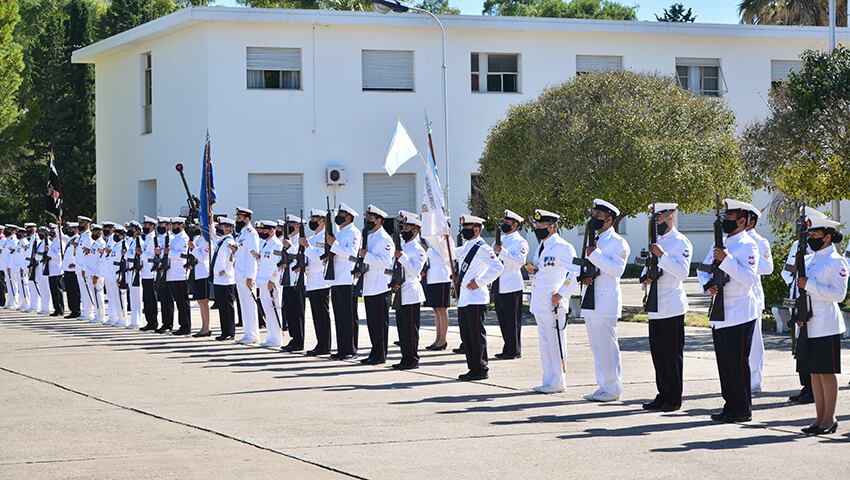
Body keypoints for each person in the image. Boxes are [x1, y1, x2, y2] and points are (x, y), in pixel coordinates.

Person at [697, 199, 760, 423]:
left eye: (730, 218)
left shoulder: (748, 245)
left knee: (738, 362)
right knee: (725, 362)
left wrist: (726, 259)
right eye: (724, 218)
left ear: (742, 221)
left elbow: (748, 279)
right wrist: (707, 285)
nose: (726, 222)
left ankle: (742, 408)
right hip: (720, 311)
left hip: (741, 310)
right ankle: (729, 405)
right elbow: (702, 268)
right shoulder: (720, 243)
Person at [796, 213, 847, 435]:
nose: (811, 238)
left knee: (826, 372)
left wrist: (811, 285)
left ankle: (830, 419)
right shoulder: (809, 259)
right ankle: (819, 418)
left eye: (815, 234)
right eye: (810, 234)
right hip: (810, 323)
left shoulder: (837, 262)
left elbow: (839, 295)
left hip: (827, 323)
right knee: (815, 373)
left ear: (827, 237)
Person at [640, 203, 692, 412]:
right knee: (658, 354)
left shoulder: (680, 242)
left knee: (672, 355)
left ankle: (674, 397)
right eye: (653, 217)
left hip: (672, 304)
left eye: (659, 217)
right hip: (655, 305)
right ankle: (662, 393)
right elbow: (648, 268)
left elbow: (682, 272)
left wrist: (662, 256)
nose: (656, 221)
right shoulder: (657, 241)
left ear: (670, 216)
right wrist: (645, 277)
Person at [580, 199, 630, 402]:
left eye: (599, 216)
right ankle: (603, 385)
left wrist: (596, 255)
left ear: (609, 219)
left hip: (606, 300)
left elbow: (617, 270)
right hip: (591, 298)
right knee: (597, 346)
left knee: (607, 346)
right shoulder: (595, 239)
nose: (595, 219)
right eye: (594, 215)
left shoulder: (618, 242)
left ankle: (613, 387)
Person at [526, 209, 577, 394]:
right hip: (540, 302)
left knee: (556, 342)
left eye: (541, 225)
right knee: (545, 343)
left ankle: (558, 380)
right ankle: (548, 379)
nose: (537, 228)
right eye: (537, 225)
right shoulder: (541, 246)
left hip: (554, 303)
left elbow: (574, 273)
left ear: (552, 227)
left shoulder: (563, 247)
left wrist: (562, 294)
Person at [782, 206, 828, 404]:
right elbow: (786, 271)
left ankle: (812, 388)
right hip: (797, 297)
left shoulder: (820, 248)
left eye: (804, 223)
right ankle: (805, 385)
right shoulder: (796, 245)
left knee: (810, 345)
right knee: (799, 344)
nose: (801, 226)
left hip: (811, 300)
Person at [453, 214, 503, 381]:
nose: (464, 231)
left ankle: (481, 367)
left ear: (476, 229)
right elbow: (449, 253)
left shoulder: (482, 248)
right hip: (465, 298)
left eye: (467, 228)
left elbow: (497, 267)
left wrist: (480, 282)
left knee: (476, 335)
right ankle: (472, 367)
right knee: (466, 335)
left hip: (476, 298)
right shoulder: (467, 246)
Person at [357, 205, 394, 366]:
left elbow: (386, 263)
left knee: (380, 323)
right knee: (372, 323)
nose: (368, 221)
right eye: (367, 219)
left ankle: (380, 354)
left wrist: (367, 256)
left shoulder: (385, 239)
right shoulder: (370, 236)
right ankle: (374, 351)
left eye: (371, 219)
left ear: (379, 220)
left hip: (380, 286)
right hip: (369, 284)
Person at [391, 211, 427, 370]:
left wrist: (402, 257)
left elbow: (414, 271)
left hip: (412, 292)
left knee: (411, 330)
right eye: (403, 227)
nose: (403, 230)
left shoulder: (418, 250)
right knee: (402, 329)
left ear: (415, 230)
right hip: (400, 291)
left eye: (406, 227)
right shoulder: (403, 246)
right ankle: (405, 357)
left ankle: (412, 358)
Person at [327, 203, 362, 360]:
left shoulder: (354, 232)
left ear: (348, 217)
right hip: (336, 279)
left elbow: (352, 254)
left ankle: (351, 349)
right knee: (339, 316)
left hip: (347, 279)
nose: (338, 217)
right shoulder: (340, 233)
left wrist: (333, 244)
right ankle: (342, 349)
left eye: (341, 214)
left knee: (348, 317)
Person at [493, 210, 529, 360]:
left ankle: (514, 349)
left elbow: (519, 261)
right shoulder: (500, 239)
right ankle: (507, 347)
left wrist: (501, 252)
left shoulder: (520, 242)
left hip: (512, 284)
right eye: (504, 222)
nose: (505, 225)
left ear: (515, 225)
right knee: (502, 319)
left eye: (508, 223)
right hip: (498, 283)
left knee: (512, 320)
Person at [745, 206, 773, 393]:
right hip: (734, 300)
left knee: (754, 342)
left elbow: (768, 267)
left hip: (753, 298)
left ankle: (754, 381)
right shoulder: (728, 240)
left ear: (751, 222)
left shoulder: (760, 242)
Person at [302, 209, 332, 355]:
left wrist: (307, 247)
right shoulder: (314, 238)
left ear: (321, 220)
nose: (311, 222)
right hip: (312, 279)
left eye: (314, 219)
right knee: (316, 315)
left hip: (321, 279)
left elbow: (321, 260)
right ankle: (320, 343)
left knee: (322, 314)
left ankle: (325, 345)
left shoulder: (324, 237)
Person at [233, 207, 260, 345]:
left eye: (239, 218)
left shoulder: (251, 233)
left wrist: (251, 276)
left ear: (247, 219)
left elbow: (253, 256)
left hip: (247, 275)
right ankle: (247, 333)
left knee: (250, 305)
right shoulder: (242, 233)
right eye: (237, 217)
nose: (237, 220)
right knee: (244, 305)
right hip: (239, 274)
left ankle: (253, 334)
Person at [256, 220, 284, 347]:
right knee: (267, 310)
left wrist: (273, 280)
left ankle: (277, 338)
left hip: (270, 283)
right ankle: (271, 336)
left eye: (264, 230)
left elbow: (279, 266)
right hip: (262, 282)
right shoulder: (265, 244)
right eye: (261, 230)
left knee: (274, 309)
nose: (261, 232)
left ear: (272, 230)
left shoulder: (277, 245)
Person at [422, 235, 453, 351]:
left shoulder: (446, 240)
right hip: (432, 278)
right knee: (436, 309)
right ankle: (438, 338)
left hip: (441, 277)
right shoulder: (432, 240)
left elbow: (444, 258)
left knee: (442, 309)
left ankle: (443, 339)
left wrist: (427, 250)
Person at [281, 214, 307, 352]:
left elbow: (300, 256)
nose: (289, 226)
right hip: (288, 279)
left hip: (298, 280)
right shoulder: (289, 239)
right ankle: (293, 338)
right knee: (289, 311)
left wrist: (289, 247)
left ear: (298, 226)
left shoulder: (300, 240)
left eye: (291, 224)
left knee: (297, 312)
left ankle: (299, 340)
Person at [211, 218, 238, 341]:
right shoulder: (221, 240)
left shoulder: (229, 241)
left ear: (228, 228)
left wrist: (226, 270)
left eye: (221, 226)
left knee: (227, 307)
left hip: (226, 279)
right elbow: (211, 233)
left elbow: (231, 257)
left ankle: (230, 332)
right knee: (222, 306)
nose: (218, 228)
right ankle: (224, 331)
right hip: (218, 278)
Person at [166, 217, 192, 336]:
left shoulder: (184, 238)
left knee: (183, 302)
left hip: (181, 273)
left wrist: (169, 253)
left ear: (181, 225)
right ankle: (182, 325)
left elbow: (184, 255)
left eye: (175, 225)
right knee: (178, 302)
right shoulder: (175, 238)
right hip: (172, 273)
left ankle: (186, 326)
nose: (172, 227)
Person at [189, 224, 212, 337]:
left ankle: (206, 327)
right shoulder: (198, 239)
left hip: (204, 273)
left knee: (204, 301)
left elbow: (203, 258)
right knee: (199, 301)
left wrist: (194, 248)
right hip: (197, 273)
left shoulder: (208, 240)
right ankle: (204, 327)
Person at [138, 217, 160, 332]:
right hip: (145, 271)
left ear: (152, 226)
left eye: (146, 225)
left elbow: (153, 256)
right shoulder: (147, 238)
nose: (144, 227)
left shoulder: (153, 239)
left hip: (151, 271)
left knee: (151, 298)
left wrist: (142, 254)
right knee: (146, 298)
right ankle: (149, 321)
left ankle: (153, 322)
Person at [154, 217, 175, 334]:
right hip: (160, 270)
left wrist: (161, 253)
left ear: (168, 225)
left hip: (168, 271)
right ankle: (164, 322)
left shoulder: (171, 238)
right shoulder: (159, 238)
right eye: (159, 224)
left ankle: (169, 324)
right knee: (163, 299)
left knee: (168, 299)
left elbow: (169, 254)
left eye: (162, 224)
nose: (160, 227)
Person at [125, 221, 144, 330]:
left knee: (137, 297)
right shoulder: (133, 242)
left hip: (137, 271)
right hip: (131, 271)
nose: (131, 231)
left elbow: (137, 256)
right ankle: (133, 320)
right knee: (133, 296)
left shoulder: (139, 242)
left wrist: (129, 255)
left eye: (132, 229)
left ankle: (137, 321)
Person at [85, 224, 106, 323]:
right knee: (94, 295)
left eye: (95, 231)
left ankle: (101, 316)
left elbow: (101, 261)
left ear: (99, 232)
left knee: (98, 295)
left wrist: (97, 275)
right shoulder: (95, 243)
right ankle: (97, 314)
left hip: (96, 274)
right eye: (92, 231)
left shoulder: (101, 244)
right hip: (91, 272)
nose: (93, 233)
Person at [75, 216, 94, 321]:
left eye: (82, 223)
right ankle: (85, 311)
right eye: (80, 223)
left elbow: (89, 253)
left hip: (84, 268)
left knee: (87, 291)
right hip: (79, 267)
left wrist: (84, 268)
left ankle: (89, 313)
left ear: (87, 224)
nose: (80, 225)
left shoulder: (88, 236)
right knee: (83, 291)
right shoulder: (81, 236)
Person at [61, 222, 81, 319]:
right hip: (67, 269)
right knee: (69, 291)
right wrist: (58, 222)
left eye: (72, 229)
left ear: (77, 229)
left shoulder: (78, 239)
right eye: (69, 229)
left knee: (74, 291)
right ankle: (72, 310)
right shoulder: (70, 239)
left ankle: (76, 310)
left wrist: (76, 264)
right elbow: (59, 234)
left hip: (73, 269)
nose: (70, 231)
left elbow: (79, 254)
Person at [46, 224, 66, 317]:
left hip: (57, 269)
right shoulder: (54, 241)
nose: (51, 232)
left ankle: (60, 309)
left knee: (57, 291)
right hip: (51, 269)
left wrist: (49, 251)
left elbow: (59, 257)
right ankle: (56, 309)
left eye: (53, 230)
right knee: (53, 290)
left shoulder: (59, 242)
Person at [33, 226, 52, 315]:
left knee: (46, 287)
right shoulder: (41, 242)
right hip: (39, 265)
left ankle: (48, 307)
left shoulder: (48, 242)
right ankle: (44, 306)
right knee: (42, 287)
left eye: (42, 232)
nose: (40, 234)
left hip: (44, 266)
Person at [2, 225, 18, 309]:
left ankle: (14, 302)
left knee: (13, 283)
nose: (7, 230)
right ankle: (10, 301)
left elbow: (13, 255)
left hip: (10, 266)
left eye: (9, 229)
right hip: (5, 265)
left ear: (14, 231)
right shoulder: (8, 240)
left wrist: (9, 266)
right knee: (9, 283)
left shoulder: (14, 241)